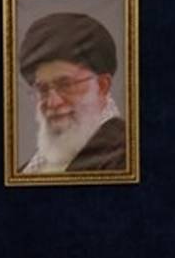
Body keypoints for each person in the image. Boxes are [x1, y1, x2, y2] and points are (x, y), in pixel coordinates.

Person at [18, 12, 126, 173]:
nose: (53, 102)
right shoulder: (27, 170)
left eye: (66, 85)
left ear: (102, 86)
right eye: (43, 89)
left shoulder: (125, 156)